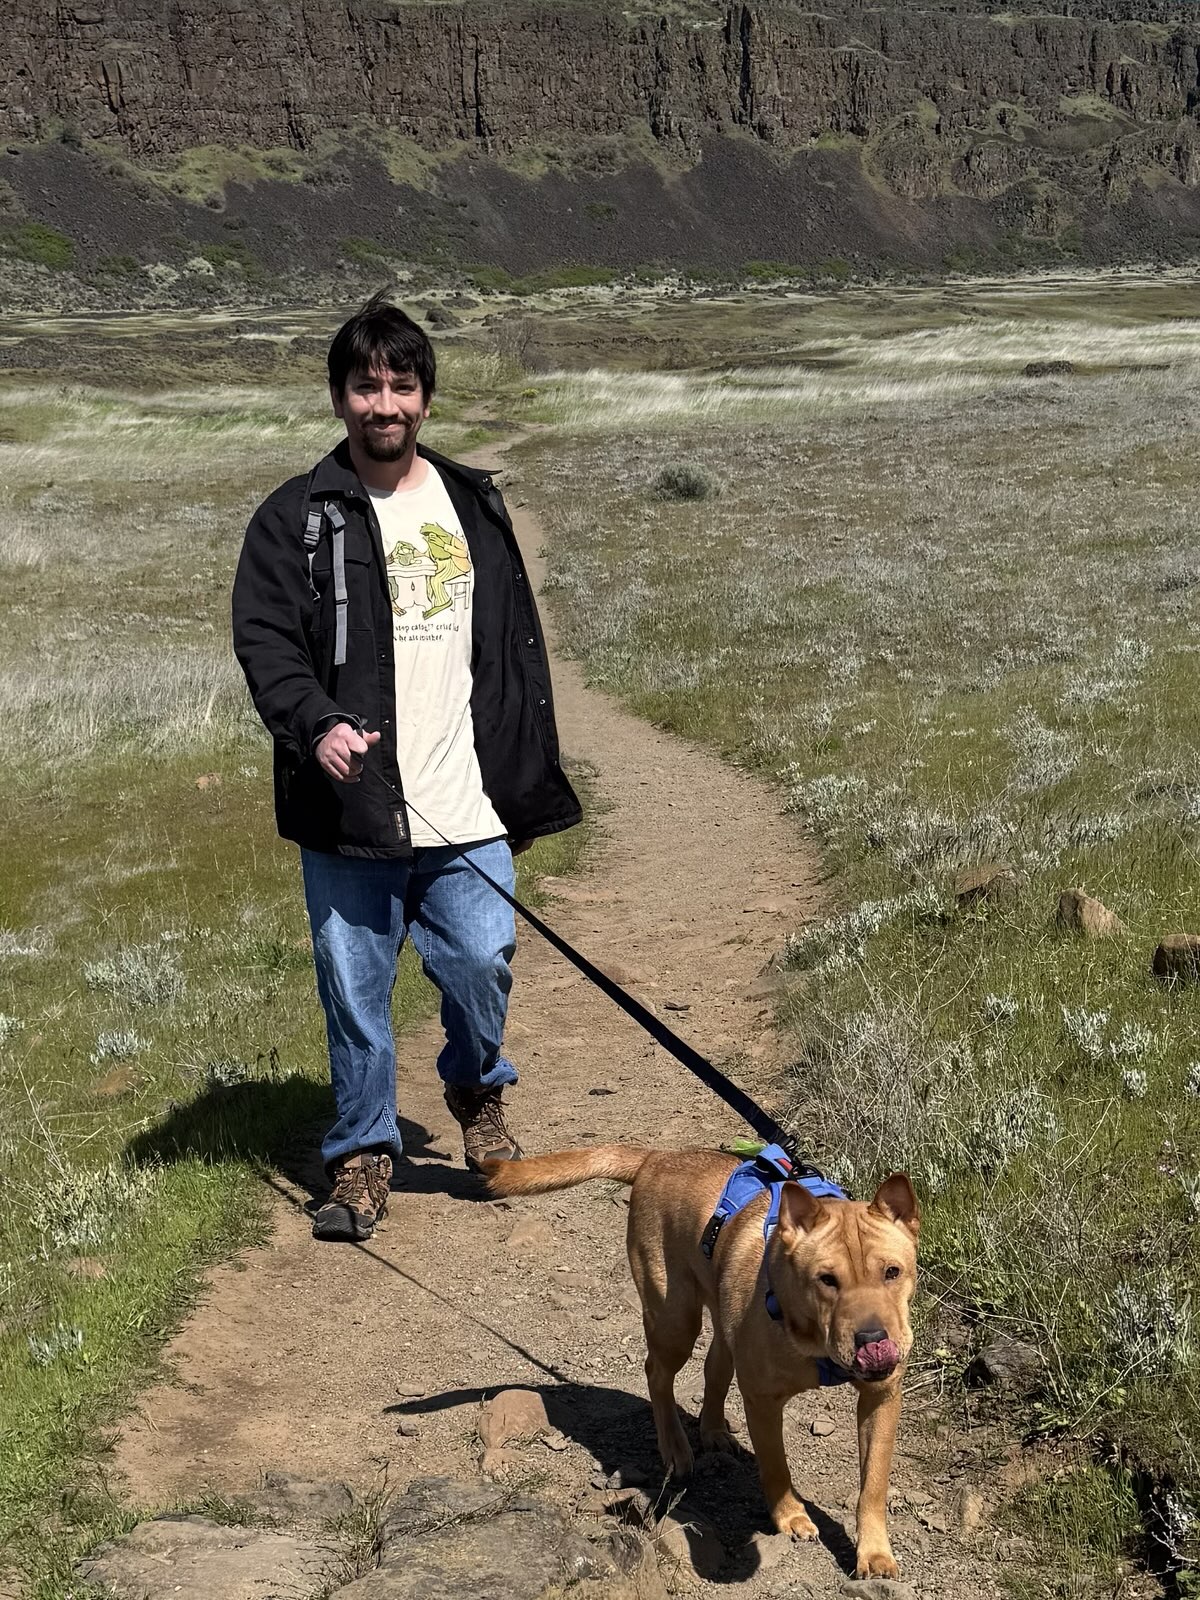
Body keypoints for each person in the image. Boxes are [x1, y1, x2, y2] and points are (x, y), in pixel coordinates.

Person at [232, 293, 581, 1242]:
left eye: (401, 385)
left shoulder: (473, 503)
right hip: (350, 813)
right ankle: (362, 1156)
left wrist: (521, 764)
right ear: (339, 398)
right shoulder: (296, 517)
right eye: (364, 386)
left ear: (425, 398)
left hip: (465, 804)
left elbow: (508, 649)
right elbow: (266, 642)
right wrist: (314, 727)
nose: (383, 403)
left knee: (480, 964)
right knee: (355, 992)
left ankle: (475, 1090)